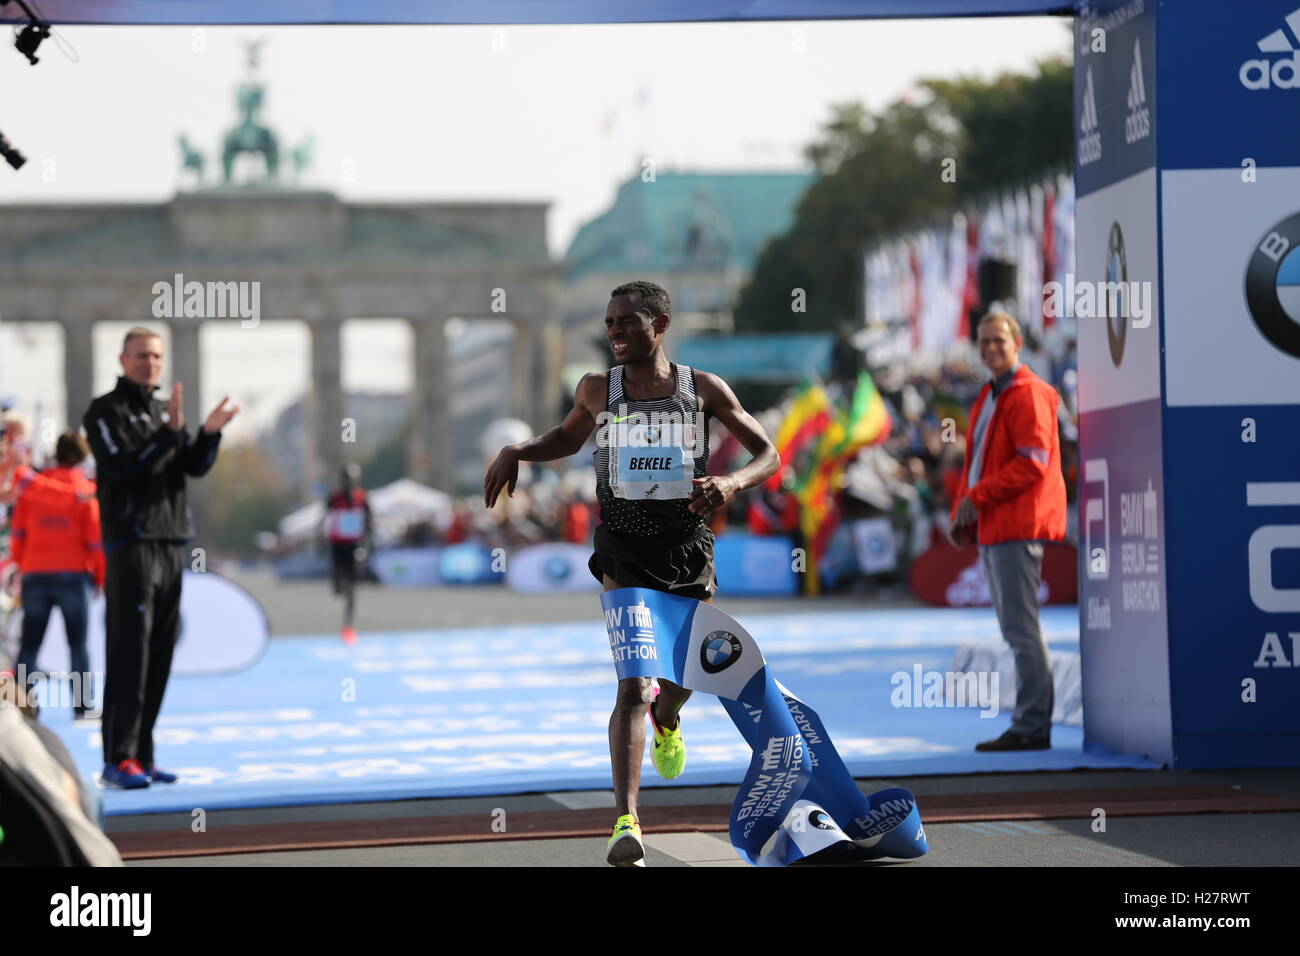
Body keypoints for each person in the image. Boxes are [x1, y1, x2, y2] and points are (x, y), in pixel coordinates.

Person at [484, 280, 779, 866]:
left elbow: (769, 455)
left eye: (627, 323)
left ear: (660, 324)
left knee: (688, 671)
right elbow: (567, 439)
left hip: (687, 547)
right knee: (632, 682)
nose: (614, 333)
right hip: (620, 549)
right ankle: (628, 821)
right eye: (609, 324)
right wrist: (519, 450)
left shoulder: (704, 389)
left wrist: (730, 483)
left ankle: (670, 716)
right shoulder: (598, 388)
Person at [83, 327, 239, 790]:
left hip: (171, 543)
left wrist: (208, 433)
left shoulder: (162, 412)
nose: (148, 363)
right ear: (121, 359)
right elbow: (122, 468)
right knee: (129, 652)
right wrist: (168, 435)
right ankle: (118, 758)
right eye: (140, 356)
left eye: (155, 356)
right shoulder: (104, 411)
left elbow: (190, 466)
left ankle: (143, 755)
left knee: (158, 657)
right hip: (131, 543)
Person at [949, 312, 1067, 751]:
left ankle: (1033, 726)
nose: (990, 349)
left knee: (1021, 629)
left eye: (998, 340)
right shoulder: (992, 395)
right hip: (998, 524)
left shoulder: (1029, 393)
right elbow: (976, 462)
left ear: (1018, 342)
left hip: (1017, 524)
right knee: (1016, 628)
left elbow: (1032, 462)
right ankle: (1030, 723)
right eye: (983, 342)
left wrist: (974, 498)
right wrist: (963, 508)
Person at [10, 431, 105, 720]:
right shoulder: (84, 491)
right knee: (77, 645)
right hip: (73, 576)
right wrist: (100, 577)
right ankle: (82, 705)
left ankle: (21, 705)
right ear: (82, 458)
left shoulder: (33, 490)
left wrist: (21, 566)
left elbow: (18, 535)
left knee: (29, 645)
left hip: (35, 574)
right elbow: (95, 542)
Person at [324, 463, 372, 645]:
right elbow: (324, 518)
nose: (349, 483)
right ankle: (337, 583)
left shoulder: (362, 498)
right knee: (338, 587)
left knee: (352, 588)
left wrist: (366, 545)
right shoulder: (334, 498)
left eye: (352, 480)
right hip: (337, 545)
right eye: (346, 479)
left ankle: (348, 626)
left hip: (354, 545)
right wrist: (321, 540)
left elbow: (369, 522)